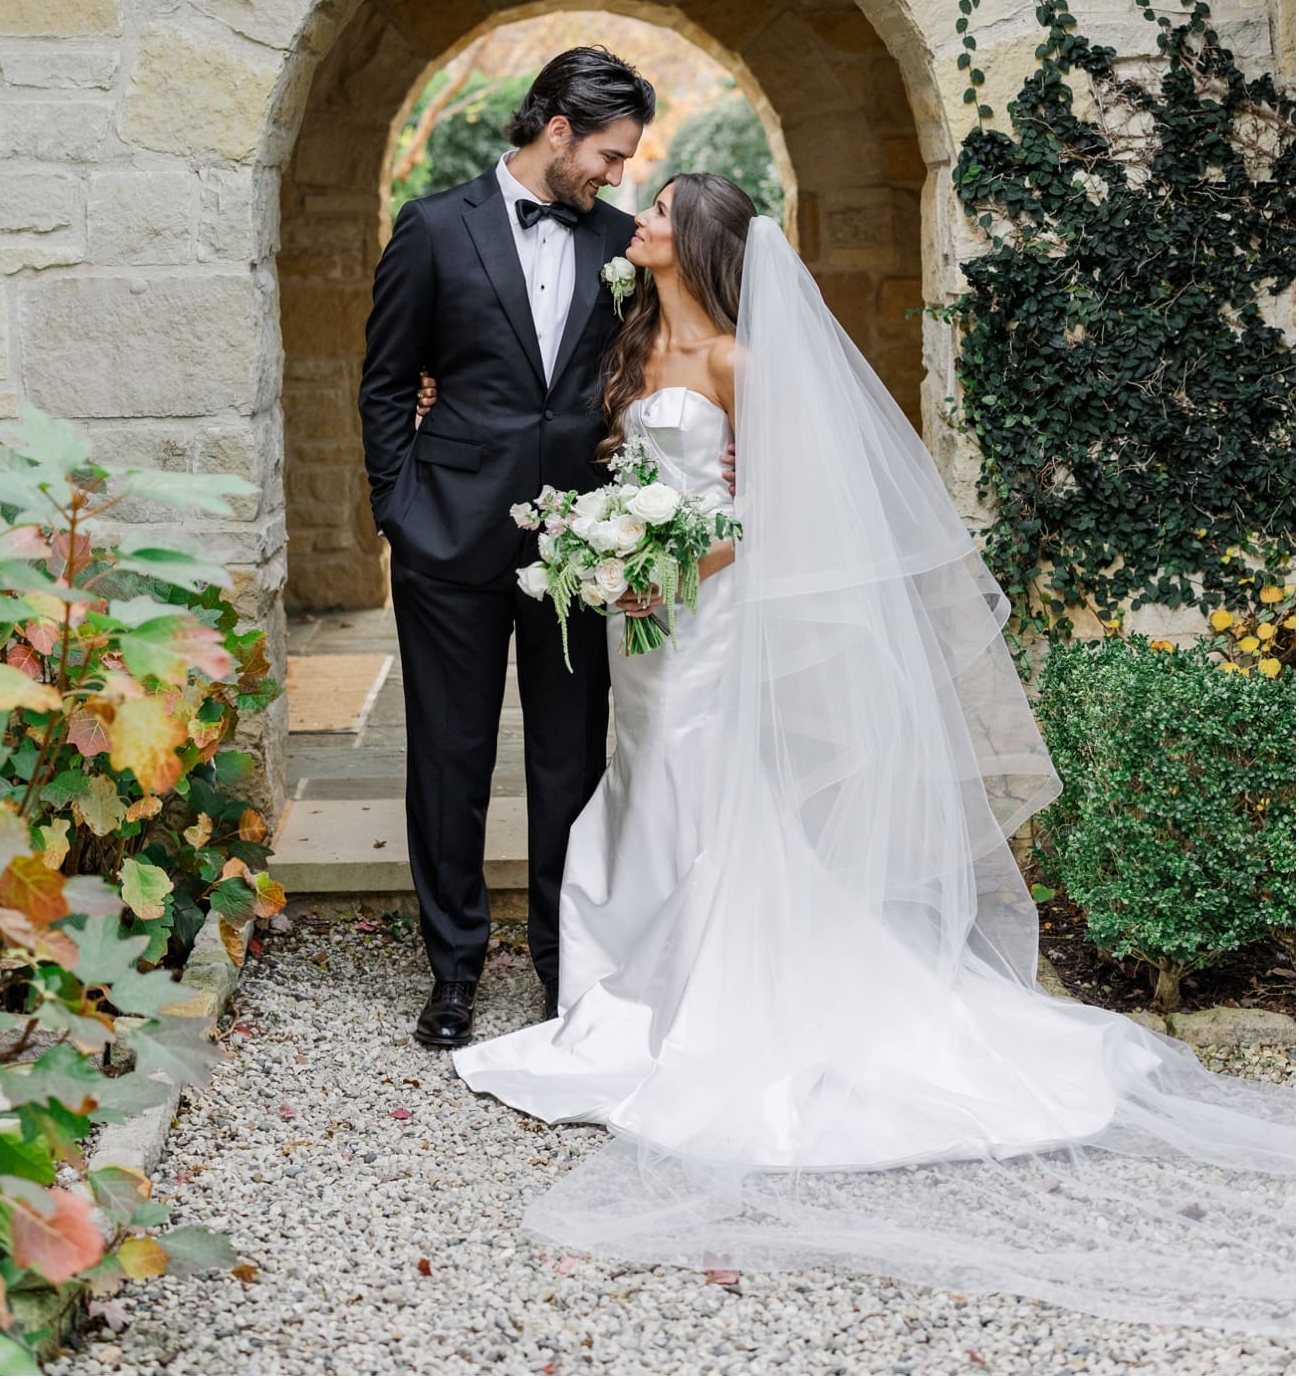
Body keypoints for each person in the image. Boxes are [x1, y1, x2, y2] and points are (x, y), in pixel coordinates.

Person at [452, 174, 1295, 1339]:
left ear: (696, 240)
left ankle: (704, 996)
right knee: (643, 777)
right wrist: (611, 555)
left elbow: (772, 506)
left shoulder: (741, 360)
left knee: (704, 779)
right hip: (638, 617)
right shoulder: (634, 339)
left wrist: (665, 563)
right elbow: (631, 468)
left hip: (704, 612)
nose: (637, 220)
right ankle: (636, 978)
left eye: (658, 212)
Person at [358, 46, 655, 1052]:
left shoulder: (620, 242)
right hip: (447, 535)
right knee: (449, 756)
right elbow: (385, 379)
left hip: (582, 548)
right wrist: (398, 506)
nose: (617, 174)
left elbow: (642, 376)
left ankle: (565, 964)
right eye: (609, 154)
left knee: (570, 759)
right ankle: (453, 970)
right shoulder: (434, 225)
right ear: (558, 130)